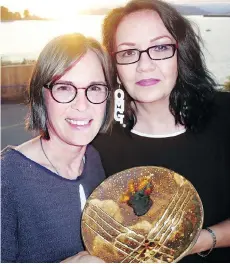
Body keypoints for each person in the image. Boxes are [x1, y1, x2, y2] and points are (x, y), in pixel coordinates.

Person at [93, 0, 230, 262]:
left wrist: (200, 240)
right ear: (115, 67)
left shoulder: (225, 117)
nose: (144, 65)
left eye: (159, 47)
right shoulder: (101, 143)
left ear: (181, 52)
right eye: (128, 52)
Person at [1, 33, 114, 263]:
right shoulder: (8, 178)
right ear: (41, 95)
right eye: (64, 88)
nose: (82, 105)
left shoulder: (93, 159)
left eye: (94, 88)